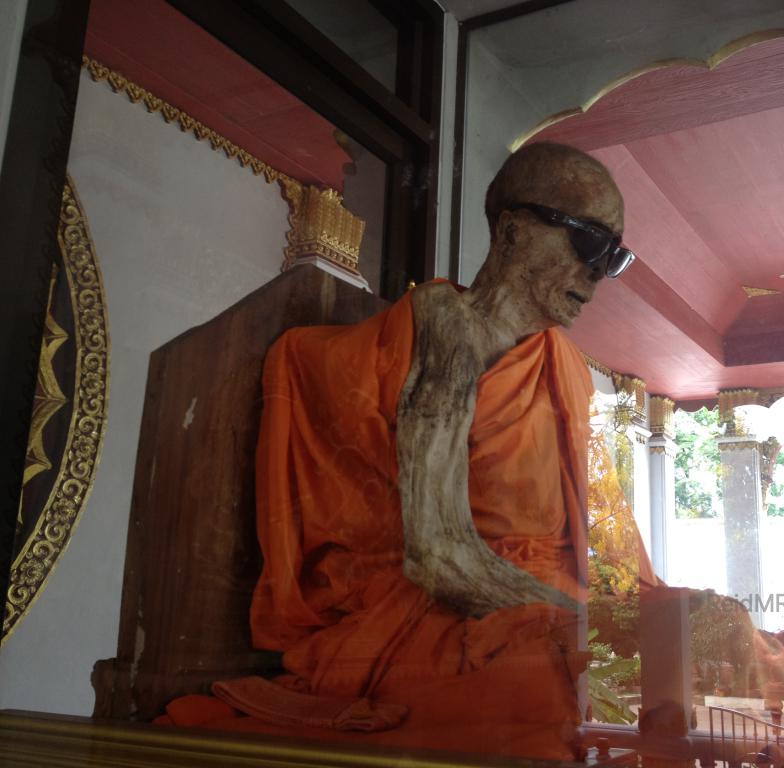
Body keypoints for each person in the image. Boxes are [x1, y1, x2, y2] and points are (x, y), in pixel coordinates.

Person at [158, 142, 635, 762]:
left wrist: (631, 621)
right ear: (513, 231)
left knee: (720, 644)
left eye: (615, 256)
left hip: (551, 602)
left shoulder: (563, 365)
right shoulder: (447, 328)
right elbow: (438, 557)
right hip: (451, 614)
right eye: (589, 241)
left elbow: (606, 547)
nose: (599, 271)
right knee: (559, 703)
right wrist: (592, 627)